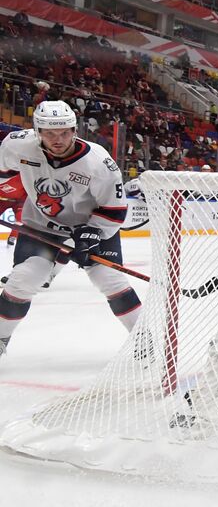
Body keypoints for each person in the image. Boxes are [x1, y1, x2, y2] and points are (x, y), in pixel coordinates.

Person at [0, 101, 141, 357]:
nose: (58, 139)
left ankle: (145, 340)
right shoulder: (16, 144)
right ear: (36, 130)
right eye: (50, 133)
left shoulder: (98, 163)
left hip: (92, 225)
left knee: (109, 279)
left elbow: (114, 210)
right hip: (42, 225)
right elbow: (2, 173)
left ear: (75, 129)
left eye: (65, 132)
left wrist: (91, 233)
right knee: (23, 280)